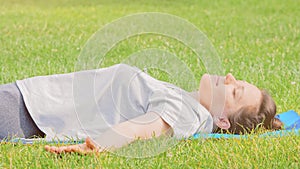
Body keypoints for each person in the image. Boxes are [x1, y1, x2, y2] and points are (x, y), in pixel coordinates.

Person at [0, 64, 282, 154]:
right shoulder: (187, 101)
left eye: (234, 92)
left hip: (28, 110)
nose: (230, 78)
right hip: (33, 101)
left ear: (222, 120)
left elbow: (147, 127)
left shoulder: (187, 112)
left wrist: (100, 144)